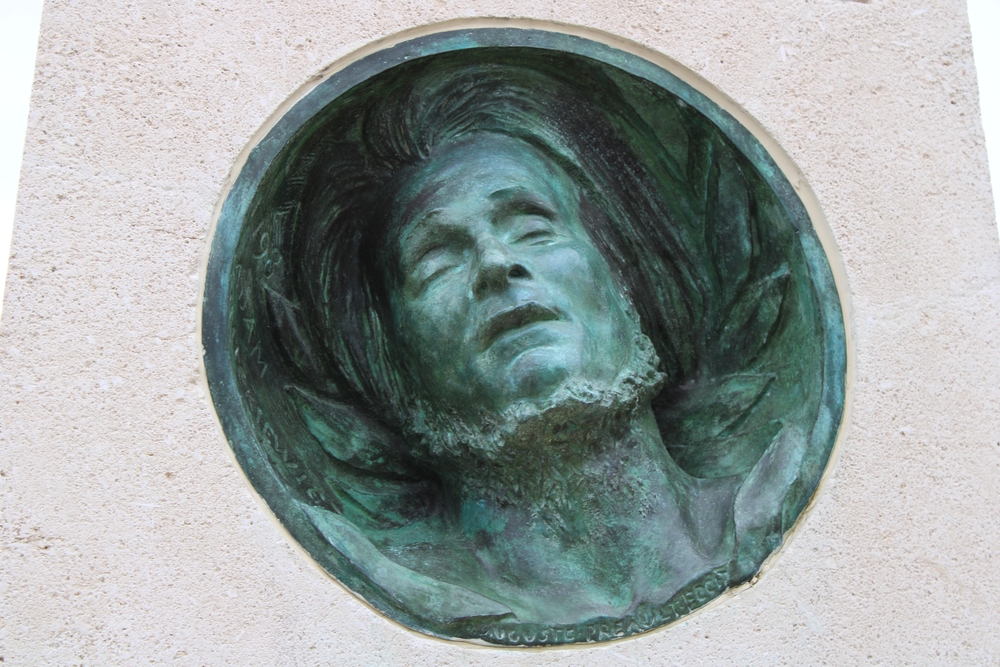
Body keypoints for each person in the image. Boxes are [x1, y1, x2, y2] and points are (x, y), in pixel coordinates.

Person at [267, 53, 806, 634]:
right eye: (437, 260)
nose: (497, 264)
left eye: (531, 226)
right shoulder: (409, 586)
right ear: (396, 363)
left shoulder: (767, 493)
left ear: (622, 278)